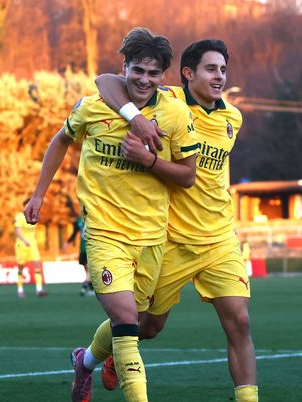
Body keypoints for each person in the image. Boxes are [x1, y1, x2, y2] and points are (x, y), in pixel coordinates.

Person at [25, 27, 199, 402]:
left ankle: (84, 361)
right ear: (125, 66)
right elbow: (60, 141)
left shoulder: (173, 114)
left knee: (137, 325)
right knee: (124, 319)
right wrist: (38, 194)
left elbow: (188, 176)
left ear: (164, 77)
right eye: (137, 70)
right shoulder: (93, 106)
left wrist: (148, 160)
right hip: (103, 232)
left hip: (152, 235)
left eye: (153, 73)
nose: (144, 79)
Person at [94, 39, 259, 402]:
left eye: (223, 70)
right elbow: (105, 81)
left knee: (240, 322)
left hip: (218, 238)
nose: (220, 77)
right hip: (170, 238)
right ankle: (102, 355)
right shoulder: (165, 101)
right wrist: (134, 118)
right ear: (188, 73)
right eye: (211, 69)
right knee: (147, 326)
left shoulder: (234, 117)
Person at [14, 199, 48, 298]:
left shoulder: (35, 216)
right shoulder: (19, 216)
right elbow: (17, 231)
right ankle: (20, 290)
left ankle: (39, 289)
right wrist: (24, 241)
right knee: (21, 267)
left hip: (32, 243)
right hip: (21, 244)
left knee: (37, 265)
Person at [63, 207, 92, 296]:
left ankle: (85, 287)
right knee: (87, 270)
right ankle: (90, 287)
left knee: (90, 270)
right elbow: (74, 233)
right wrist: (67, 243)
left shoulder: (92, 219)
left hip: (91, 248)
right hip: (82, 249)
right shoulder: (79, 221)